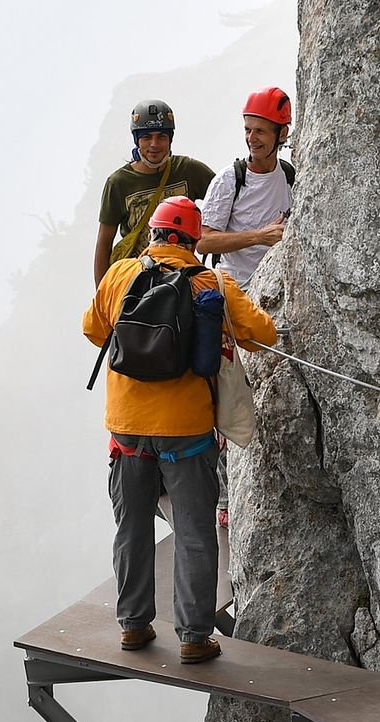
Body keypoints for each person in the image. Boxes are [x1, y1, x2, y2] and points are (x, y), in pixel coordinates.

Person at [82, 195, 275, 664]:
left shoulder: (120, 275)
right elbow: (263, 335)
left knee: (131, 528)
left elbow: (93, 329)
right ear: (193, 240)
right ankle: (193, 635)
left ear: (153, 234)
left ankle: (132, 626)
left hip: (126, 432)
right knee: (194, 532)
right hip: (186, 434)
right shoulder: (212, 283)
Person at [93, 99, 217, 286]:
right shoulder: (118, 183)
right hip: (137, 281)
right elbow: (104, 244)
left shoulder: (189, 170)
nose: (154, 144)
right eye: (146, 137)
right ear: (137, 140)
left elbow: (225, 198)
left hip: (183, 277)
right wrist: (103, 297)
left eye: (161, 136)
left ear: (170, 139)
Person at [196, 86, 295, 288]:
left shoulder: (289, 176)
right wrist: (259, 237)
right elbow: (203, 242)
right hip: (235, 290)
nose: (251, 138)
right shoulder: (230, 179)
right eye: (247, 130)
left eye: (260, 131)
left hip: (276, 288)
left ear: (282, 133)